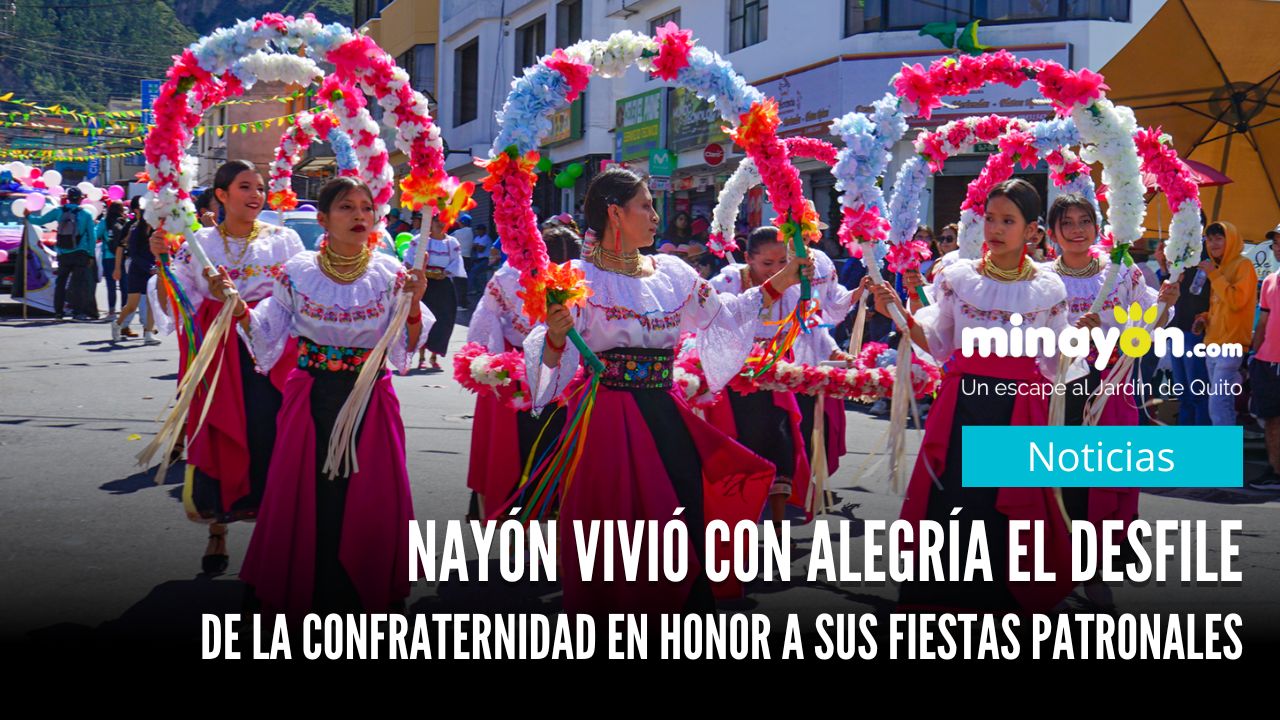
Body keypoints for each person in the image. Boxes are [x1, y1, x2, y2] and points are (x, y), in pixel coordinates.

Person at [526, 166, 813, 614]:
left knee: (677, 520)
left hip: (665, 414)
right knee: (612, 527)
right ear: (615, 214)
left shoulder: (673, 274)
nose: (656, 216)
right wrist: (558, 336)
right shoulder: (574, 277)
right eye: (646, 205)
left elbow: (726, 317)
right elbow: (550, 366)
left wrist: (784, 279)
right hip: (605, 418)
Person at [875, 178, 1077, 613]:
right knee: (956, 499)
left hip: (1016, 409)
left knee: (1003, 506)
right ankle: (941, 599)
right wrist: (897, 313)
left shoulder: (1048, 289)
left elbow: (1057, 360)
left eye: (1008, 220)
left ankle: (999, 604)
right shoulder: (957, 277)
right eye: (990, 218)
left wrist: (1087, 338)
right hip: (963, 405)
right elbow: (938, 342)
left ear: (1032, 232)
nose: (996, 229)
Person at [232, 176, 431, 616]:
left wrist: (414, 304)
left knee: (370, 491)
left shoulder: (392, 273)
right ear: (323, 219)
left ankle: (365, 587)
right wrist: (238, 309)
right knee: (311, 490)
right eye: (346, 207)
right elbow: (266, 334)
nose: (359, 215)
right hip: (312, 396)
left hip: (370, 398)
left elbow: (407, 346)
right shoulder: (298, 271)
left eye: (365, 207)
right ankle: (306, 583)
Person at [148, 159, 306, 574]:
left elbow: (303, 291)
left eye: (260, 187)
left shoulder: (284, 240)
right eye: (245, 187)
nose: (256, 195)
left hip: (272, 351)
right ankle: (217, 527)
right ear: (220, 194)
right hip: (220, 354)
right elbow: (177, 303)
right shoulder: (197, 243)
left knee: (272, 436)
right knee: (219, 434)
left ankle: (274, 536)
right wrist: (165, 263)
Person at [1045, 193, 1178, 610]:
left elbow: (1146, 318)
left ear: (1098, 226)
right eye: (1067, 222)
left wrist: (1164, 305)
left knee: (1106, 476)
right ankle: (1059, 565)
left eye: (1085, 220)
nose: (1078, 229)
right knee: (1061, 478)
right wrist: (1070, 333)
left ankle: (1099, 570)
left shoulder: (1122, 270)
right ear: (1052, 232)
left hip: (1112, 382)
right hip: (1061, 386)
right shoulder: (1042, 277)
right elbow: (1033, 332)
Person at [707, 226, 870, 526]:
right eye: (767, 264)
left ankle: (780, 528)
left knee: (783, 442)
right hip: (735, 378)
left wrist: (840, 355)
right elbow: (707, 320)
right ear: (748, 259)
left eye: (783, 262)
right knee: (742, 448)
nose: (777, 271)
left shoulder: (799, 284)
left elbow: (814, 324)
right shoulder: (729, 281)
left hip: (779, 378)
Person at [464, 218, 578, 519]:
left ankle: (540, 533)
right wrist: (492, 365)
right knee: (525, 454)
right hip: (517, 378)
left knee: (551, 453)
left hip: (563, 376)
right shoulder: (508, 278)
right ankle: (525, 531)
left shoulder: (579, 280)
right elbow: (485, 324)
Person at [1197, 221, 1257, 427]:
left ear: (1230, 240)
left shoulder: (1243, 265)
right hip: (1212, 345)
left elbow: (1237, 302)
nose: (1213, 243)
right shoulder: (1220, 267)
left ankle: (1223, 454)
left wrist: (1214, 274)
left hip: (1231, 346)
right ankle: (1227, 453)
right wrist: (1205, 318)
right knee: (1222, 403)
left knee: (1218, 403)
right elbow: (1221, 309)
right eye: (1210, 239)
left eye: (1219, 238)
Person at [28, 186, 97, 320]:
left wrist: (27, 215)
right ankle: (77, 313)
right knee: (78, 283)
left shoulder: (59, 211)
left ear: (68, 198)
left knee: (61, 283)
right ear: (81, 199)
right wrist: (91, 254)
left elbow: (40, 221)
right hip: (80, 253)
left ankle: (58, 312)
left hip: (63, 253)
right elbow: (92, 237)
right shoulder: (86, 214)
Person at [411, 215, 464, 370]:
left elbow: (456, 262)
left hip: (443, 285)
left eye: (443, 220)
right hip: (424, 284)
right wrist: (422, 271)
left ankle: (434, 356)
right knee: (422, 318)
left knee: (443, 319)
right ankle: (421, 357)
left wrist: (445, 273)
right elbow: (410, 259)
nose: (440, 224)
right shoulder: (420, 241)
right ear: (430, 222)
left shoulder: (452, 243)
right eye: (436, 220)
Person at [1250, 235, 1280, 490]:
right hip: (1266, 361)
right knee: (1271, 419)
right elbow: (1262, 323)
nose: (1277, 248)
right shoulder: (1270, 280)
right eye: (1276, 244)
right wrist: (1254, 354)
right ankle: (1275, 470)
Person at [112, 197, 159, 344]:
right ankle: (117, 324)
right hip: (137, 270)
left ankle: (148, 333)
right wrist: (149, 267)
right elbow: (134, 254)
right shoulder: (135, 230)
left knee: (152, 302)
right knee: (132, 305)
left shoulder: (156, 231)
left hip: (151, 271)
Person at [97, 201, 128, 317]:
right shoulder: (125, 222)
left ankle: (111, 311)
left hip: (108, 257)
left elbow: (96, 234)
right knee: (124, 285)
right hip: (123, 257)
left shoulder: (105, 222)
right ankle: (124, 310)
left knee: (111, 285)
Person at [451, 213, 474, 309]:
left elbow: (447, 237)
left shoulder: (458, 233)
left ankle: (461, 304)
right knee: (464, 282)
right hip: (468, 258)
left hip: (461, 259)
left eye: (460, 222)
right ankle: (464, 301)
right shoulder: (471, 231)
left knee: (458, 282)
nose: (459, 224)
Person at [468, 222, 493, 298]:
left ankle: (474, 290)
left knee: (474, 273)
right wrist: (476, 246)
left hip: (485, 259)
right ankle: (479, 291)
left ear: (484, 230)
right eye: (478, 230)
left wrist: (476, 246)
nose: (479, 231)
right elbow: (473, 248)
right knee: (479, 276)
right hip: (478, 259)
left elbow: (480, 250)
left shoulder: (486, 238)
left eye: (480, 230)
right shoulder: (477, 238)